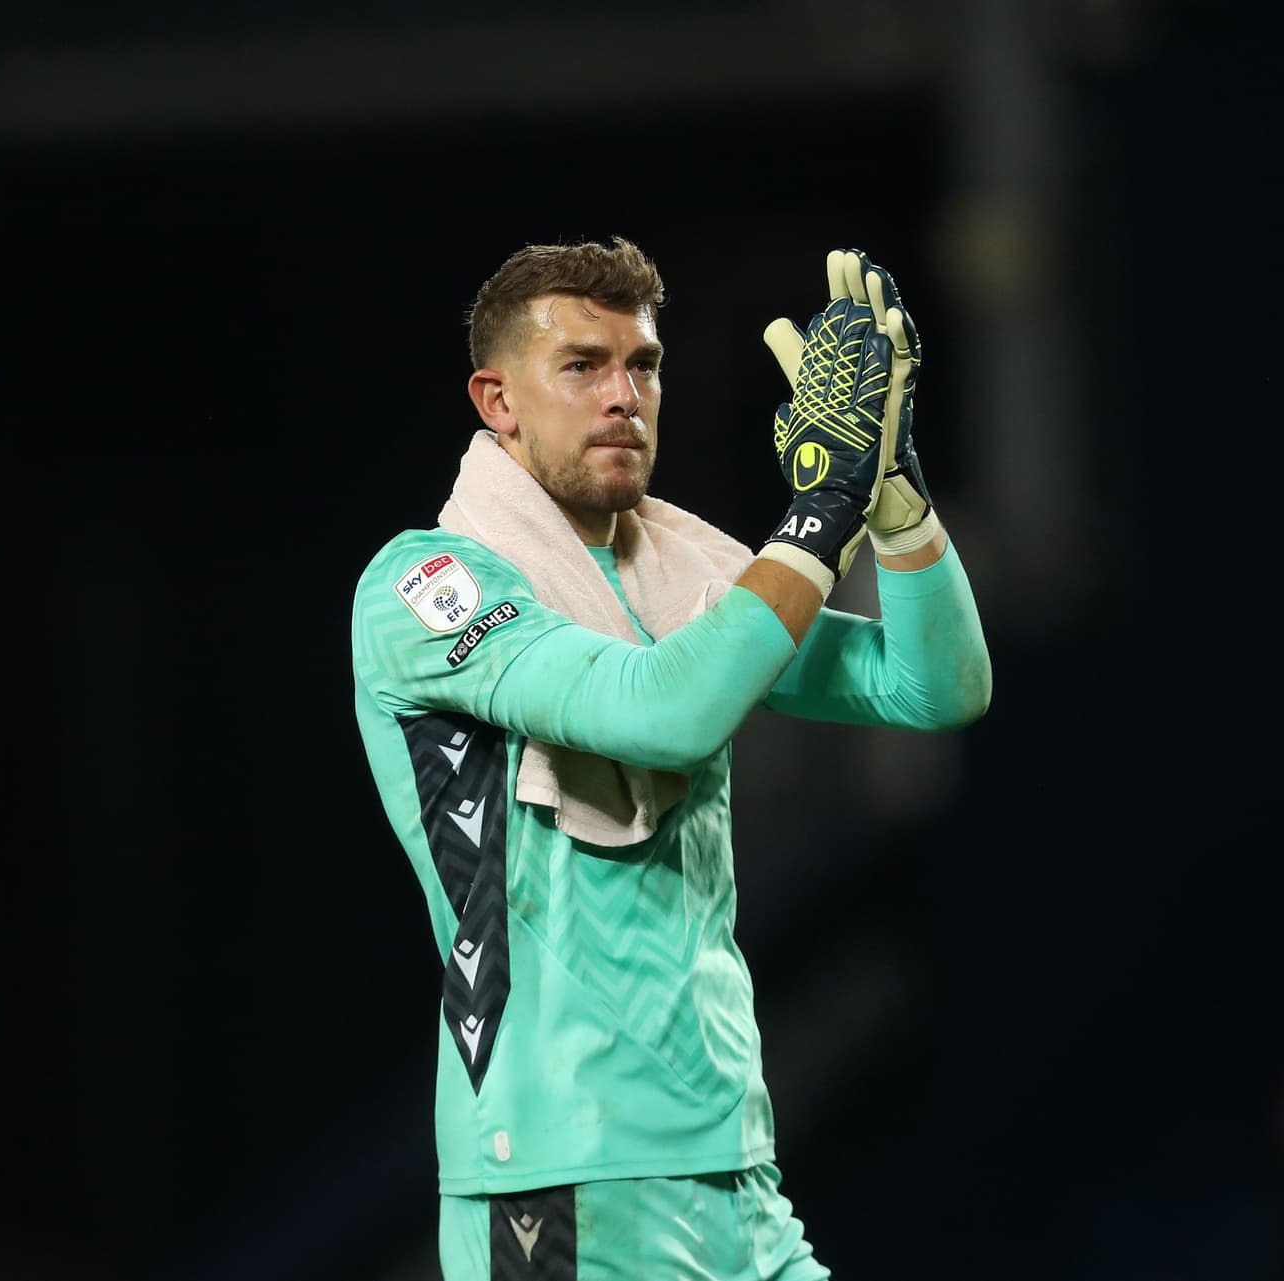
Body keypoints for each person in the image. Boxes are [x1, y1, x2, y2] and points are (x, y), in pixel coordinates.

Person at [348, 235, 992, 1280]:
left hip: (728, 1161)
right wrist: (818, 517)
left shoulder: (680, 564)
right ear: (498, 400)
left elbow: (935, 685)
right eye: (582, 365)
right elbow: (660, 715)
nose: (623, 395)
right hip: (560, 1177)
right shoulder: (424, 587)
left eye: (641, 364)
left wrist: (893, 504)